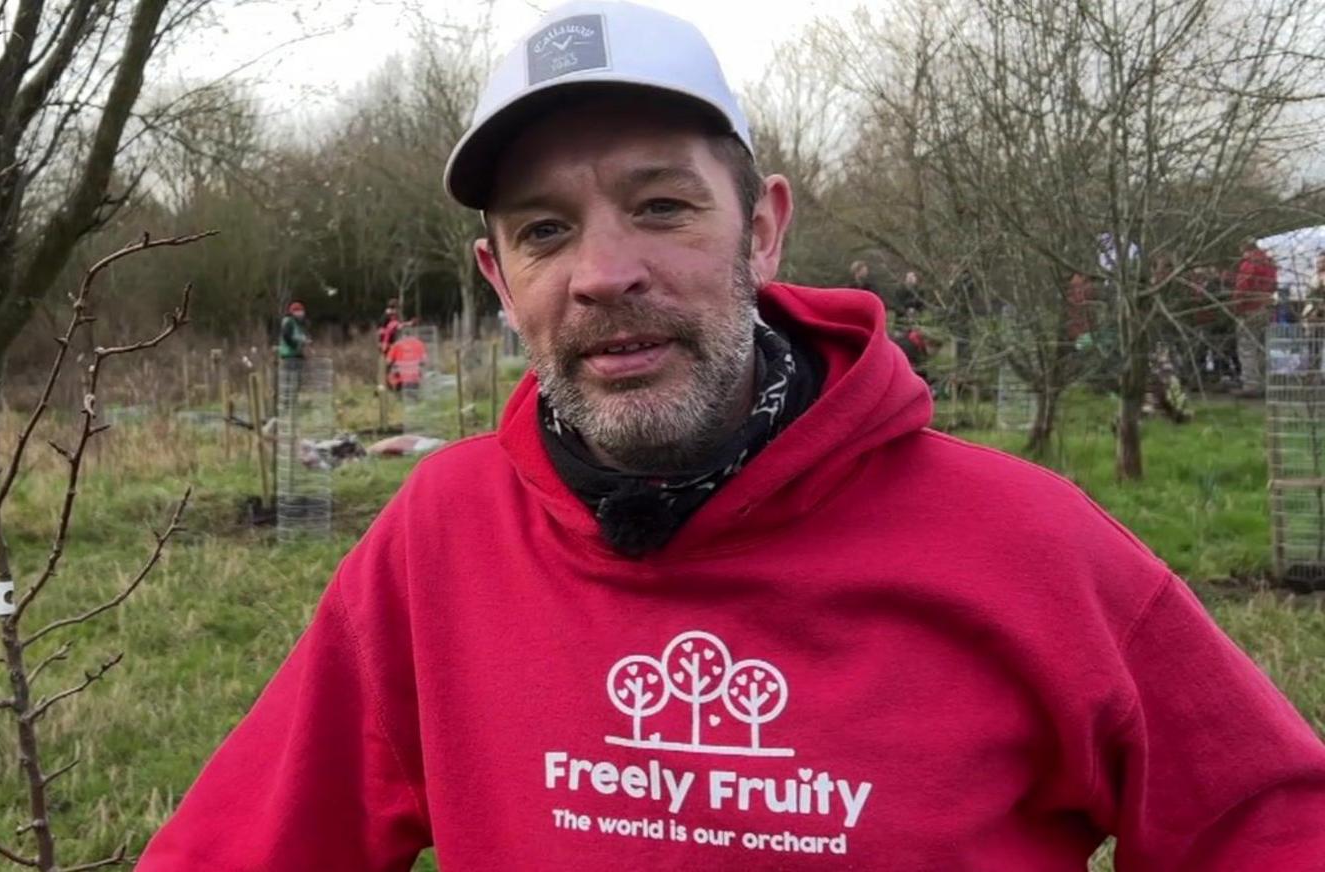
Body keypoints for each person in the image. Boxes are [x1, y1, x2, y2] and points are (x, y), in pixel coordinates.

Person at [139, 3, 1325, 869]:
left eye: (662, 205)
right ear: (501, 278)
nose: (604, 274)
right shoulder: (438, 540)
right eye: (548, 231)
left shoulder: (1027, 545)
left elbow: (1268, 823)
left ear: (762, 230)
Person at [1233, 239, 1278, 396]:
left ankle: (1251, 384)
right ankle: (1265, 382)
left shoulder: (1248, 264)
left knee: (1247, 347)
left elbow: (1242, 289)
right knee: (1262, 346)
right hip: (1266, 307)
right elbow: (1274, 286)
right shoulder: (1269, 264)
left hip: (1249, 309)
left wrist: (1236, 307)